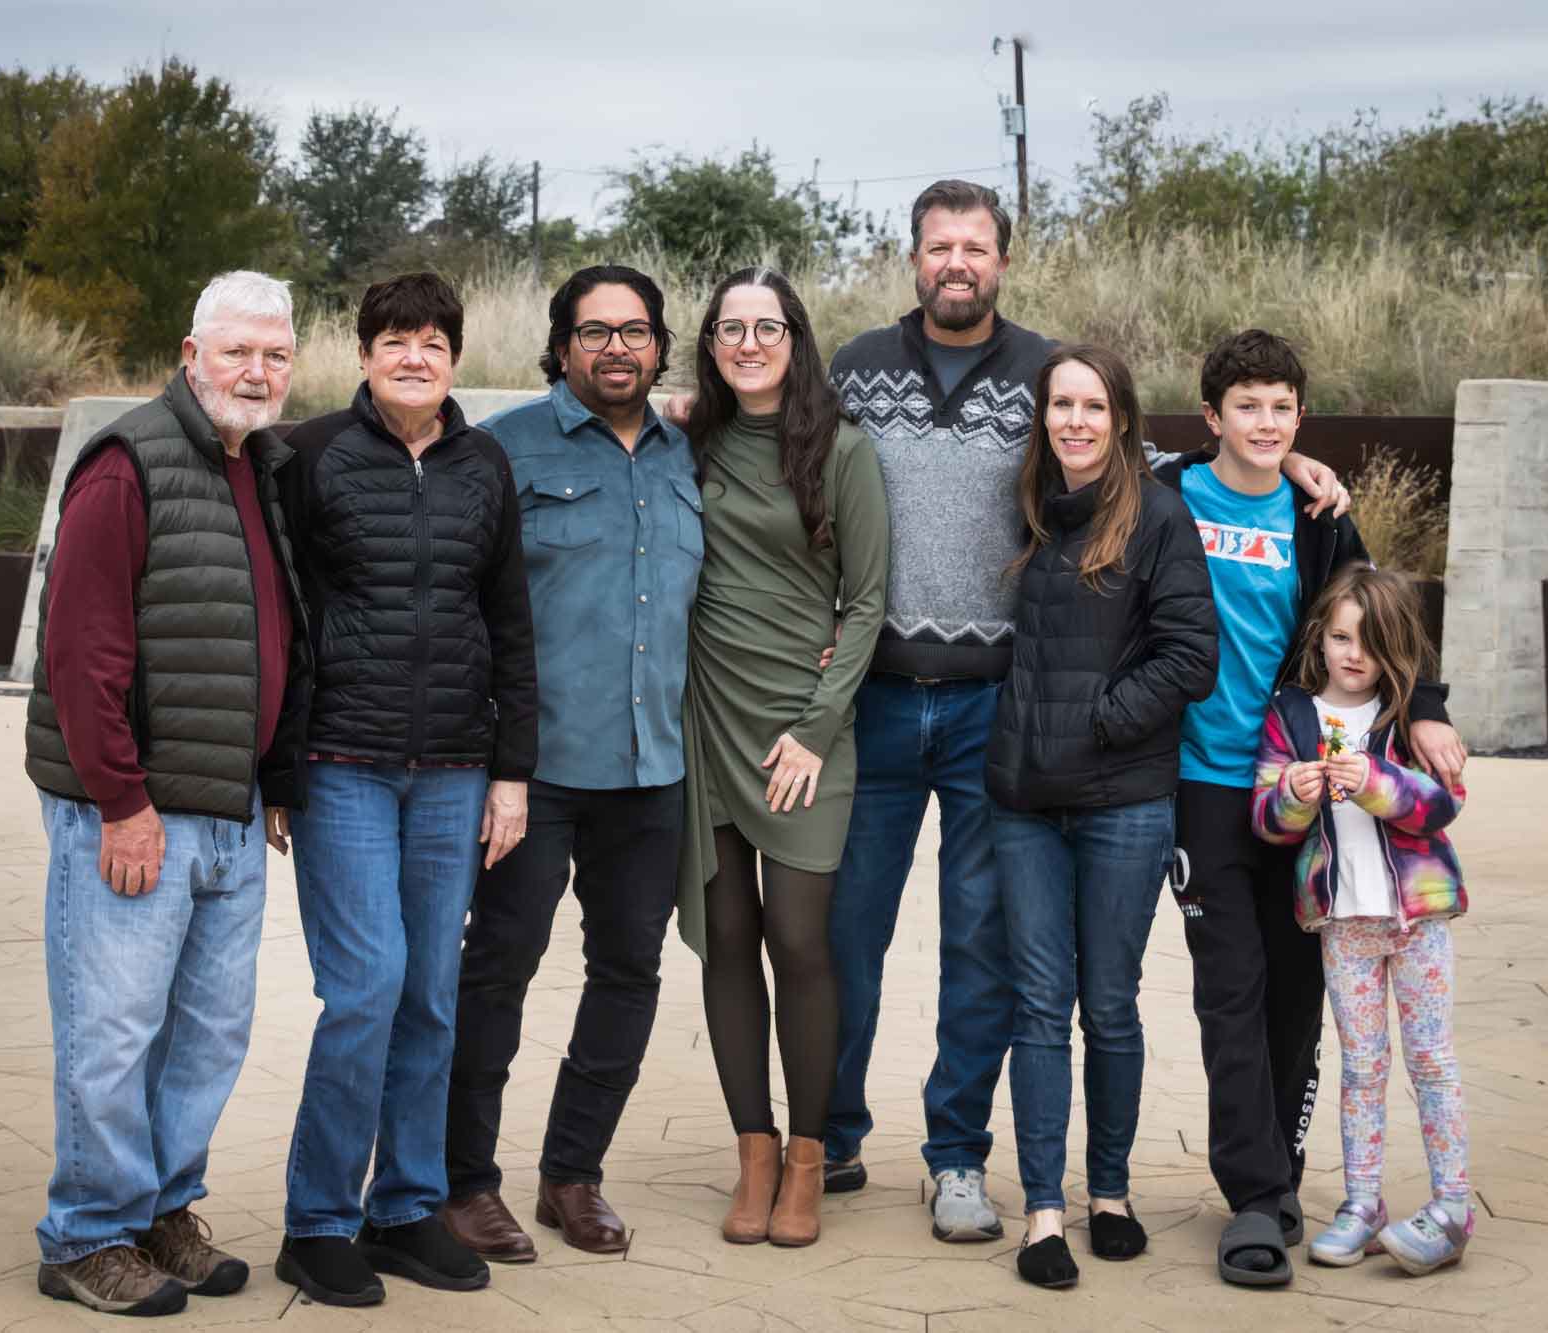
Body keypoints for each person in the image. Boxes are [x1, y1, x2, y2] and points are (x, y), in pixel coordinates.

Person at [819, 180, 1351, 1243]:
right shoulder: (853, 369)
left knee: (983, 950)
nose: (956, 261)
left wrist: (1272, 460)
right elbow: (792, 460)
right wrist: (690, 402)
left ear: (1001, 261)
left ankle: (956, 1156)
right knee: (847, 937)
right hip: (875, 700)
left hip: (995, 712)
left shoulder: (1042, 369)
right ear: (913, 257)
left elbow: (1131, 466)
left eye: (975, 245)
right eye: (938, 246)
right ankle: (825, 1138)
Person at [1151, 329, 1468, 1287]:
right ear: (1213, 418)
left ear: (1300, 416)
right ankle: (1252, 1197)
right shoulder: (1167, 495)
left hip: (1305, 787)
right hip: (1206, 784)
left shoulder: (1318, 512)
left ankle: (1281, 1176)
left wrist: (1432, 713)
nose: (1265, 421)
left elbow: (1383, 618)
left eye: (1282, 407)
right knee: (1229, 990)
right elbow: (1097, 454)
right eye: (1246, 406)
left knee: (1298, 998)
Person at [22, 270, 307, 1316]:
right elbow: (80, 650)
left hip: (228, 811)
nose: (257, 371)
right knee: (113, 1029)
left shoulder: (263, 464)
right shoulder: (126, 462)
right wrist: (120, 802)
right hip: (137, 813)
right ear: (192, 355)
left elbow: (275, 638)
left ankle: (160, 1210)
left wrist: (272, 779)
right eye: (237, 351)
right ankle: (84, 1234)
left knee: (206, 1035)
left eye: (275, 354)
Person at [265, 273, 536, 1306]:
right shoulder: (312, 455)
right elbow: (284, 615)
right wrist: (280, 769)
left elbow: (508, 621)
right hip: (343, 766)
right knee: (367, 985)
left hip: (456, 770)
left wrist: (511, 770)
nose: (413, 357)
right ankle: (320, 1220)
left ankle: (406, 1208)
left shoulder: (484, 463)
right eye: (394, 340)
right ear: (364, 352)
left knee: (429, 992)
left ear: (454, 359)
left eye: (431, 342)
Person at [442, 266, 700, 1263]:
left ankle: (571, 1175)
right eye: (594, 332)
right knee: (495, 972)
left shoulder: (688, 455)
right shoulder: (501, 450)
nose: (616, 349)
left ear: (660, 347)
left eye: (634, 331)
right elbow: (459, 601)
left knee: (627, 973)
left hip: (652, 771)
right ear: (560, 348)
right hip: (532, 771)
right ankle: (465, 1184)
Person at [983, 345, 1217, 1287]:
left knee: (1108, 1005)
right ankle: (1043, 1210)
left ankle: (1109, 1193)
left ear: (1121, 417)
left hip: (1123, 801)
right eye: (1059, 405)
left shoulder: (1160, 516)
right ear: (1043, 416)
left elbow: (1190, 655)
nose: (1074, 421)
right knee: (1039, 1006)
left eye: (1092, 405)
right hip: (1025, 803)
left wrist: (1099, 724)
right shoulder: (1032, 507)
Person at [676, 267, 890, 1248]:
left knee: (798, 940)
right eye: (731, 328)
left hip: (802, 731)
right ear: (711, 343)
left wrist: (814, 724)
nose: (749, 342)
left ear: (795, 340)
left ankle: (809, 1155)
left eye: (768, 327)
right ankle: (751, 1151)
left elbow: (866, 602)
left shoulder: (841, 451)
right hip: (703, 721)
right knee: (725, 938)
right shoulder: (687, 443)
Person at [1250, 566, 1474, 1276]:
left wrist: (1375, 783)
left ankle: (1452, 1205)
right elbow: (1266, 818)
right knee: (1363, 1066)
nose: (1353, 654)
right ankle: (1362, 1203)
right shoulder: (1290, 713)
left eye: (1370, 642)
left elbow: (1442, 802)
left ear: (1394, 648)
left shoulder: (1408, 712)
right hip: (1342, 922)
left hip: (1417, 920)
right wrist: (1291, 791)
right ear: (1320, 635)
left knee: (1432, 1060)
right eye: (1341, 636)